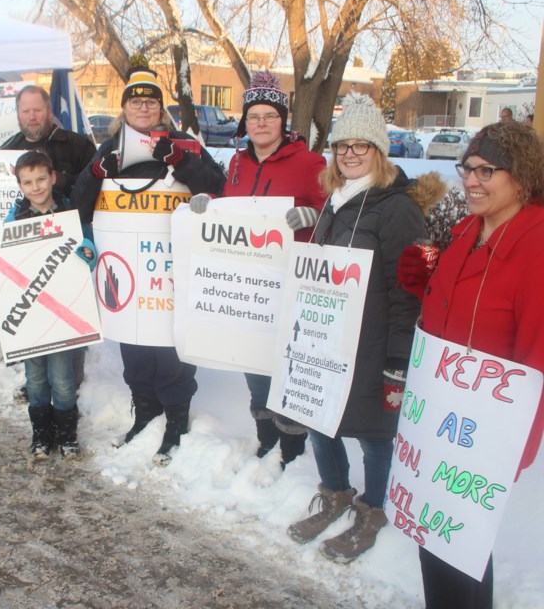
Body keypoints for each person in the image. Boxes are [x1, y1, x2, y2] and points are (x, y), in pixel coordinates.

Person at [285, 93, 445, 562]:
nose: (350, 153)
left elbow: (408, 288)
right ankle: (335, 492)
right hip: (329, 338)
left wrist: (397, 358)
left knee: (375, 431)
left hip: (374, 343)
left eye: (361, 145)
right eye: (342, 146)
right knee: (320, 415)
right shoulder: (338, 200)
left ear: (379, 150)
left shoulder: (397, 209)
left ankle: (373, 509)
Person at [398, 121, 544, 608]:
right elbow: (452, 311)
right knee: (434, 541)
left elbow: (537, 352)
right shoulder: (467, 230)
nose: (471, 181)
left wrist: (518, 443)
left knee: (460, 553)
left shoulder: (535, 244)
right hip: (440, 422)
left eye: (487, 171)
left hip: (485, 434)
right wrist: (423, 279)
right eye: (467, 169)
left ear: (521, 176)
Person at [71, 67, 226, 466]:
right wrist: (95, 174)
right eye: (135, 101)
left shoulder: (185, 143)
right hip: (128, 273)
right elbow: (78, 204)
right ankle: (145, 414)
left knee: (172, 350)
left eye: (151, 101)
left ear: (161, 108)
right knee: (136, 350)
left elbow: (218, 190)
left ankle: (176, 421)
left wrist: (182, 161)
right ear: (123, 109)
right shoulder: (109, 151)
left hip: (171, 271)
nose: (143, 107)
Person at [191, 70, 327, 467]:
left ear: (283, 121)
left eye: (269, 116)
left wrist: (313, 216)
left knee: (285, 372)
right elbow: (230, 207)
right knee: (254, 369)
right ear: (245, 122)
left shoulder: (310, 162)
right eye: (254, 117)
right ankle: (265, 443)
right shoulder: (237, 163)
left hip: (290, 285)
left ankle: (292, 455)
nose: (261, 123)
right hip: (246, 287)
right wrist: (207, 202)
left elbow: (335, 217)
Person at [0, 84, 97, 400]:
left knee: (69, 330)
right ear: (18, 114)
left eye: (37, 109)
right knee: (33, 314)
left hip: (67, 254)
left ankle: (70, 389)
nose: (32, 116)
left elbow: (96, 187)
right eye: (25, 110)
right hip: (26, 255)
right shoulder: (7, 149)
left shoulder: (78, 145)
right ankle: (38, 384)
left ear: (48, 111)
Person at [0, 151, 96, 460]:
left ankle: (67, 435)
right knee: (36, 380)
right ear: (19, 185)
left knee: (63, 381)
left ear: (53, 177)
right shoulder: (14, 218)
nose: (36, 187)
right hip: (29, 317)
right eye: (27, 182)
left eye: (41, 179)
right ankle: (41, 435)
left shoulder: (70, 211)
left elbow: (88, 243)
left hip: (62, 312)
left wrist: (88, 251)